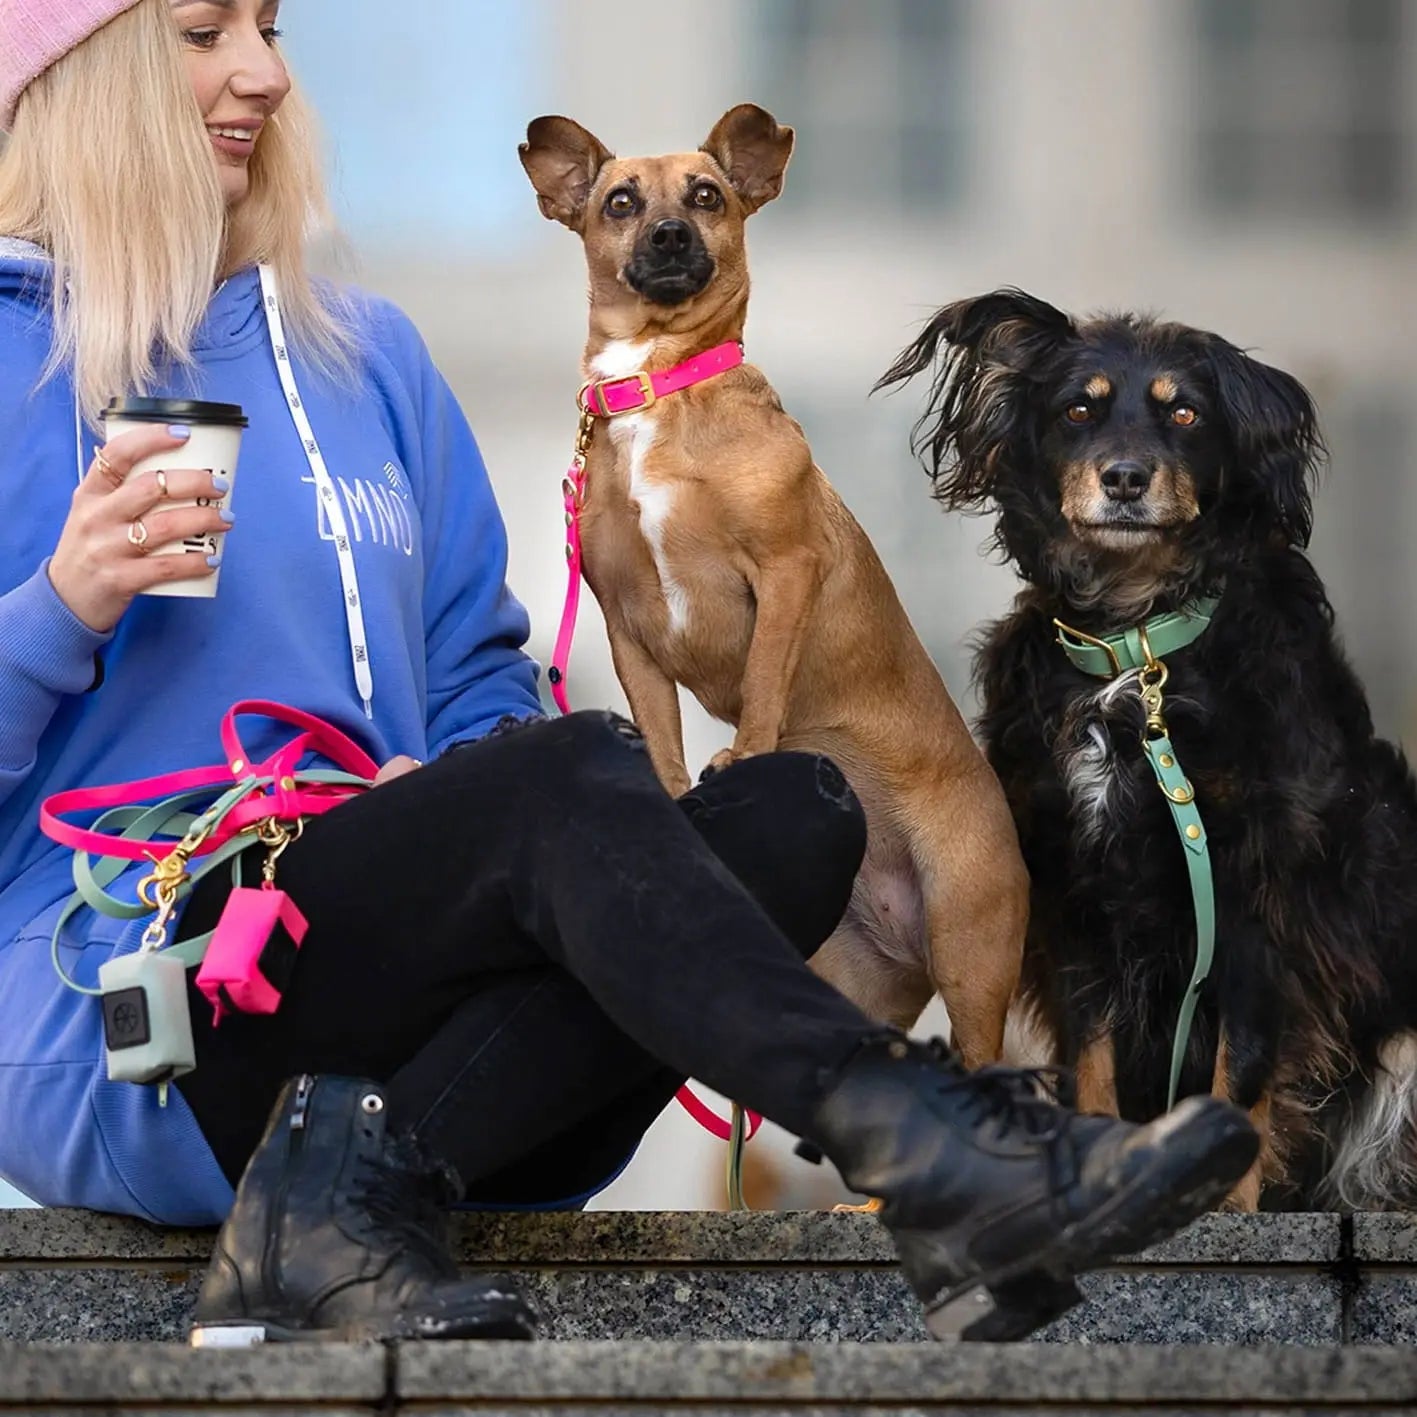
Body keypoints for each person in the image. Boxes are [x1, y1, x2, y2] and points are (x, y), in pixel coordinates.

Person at [0, 0, 1259, 1347]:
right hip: (144, 1016)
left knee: (793, 814)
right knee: (579, 767)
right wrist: (57, 608)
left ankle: (338, 1205)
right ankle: (938, 1152)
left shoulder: (362, 358)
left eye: (269, 23)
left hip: (449, 1079)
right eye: (202, 29)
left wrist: (459, 779)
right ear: (73, 65)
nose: (263, 69)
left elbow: (478, 678)